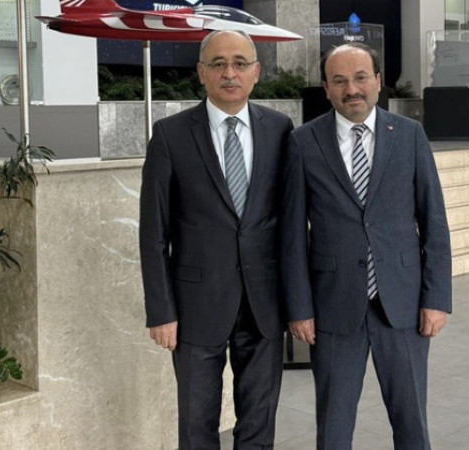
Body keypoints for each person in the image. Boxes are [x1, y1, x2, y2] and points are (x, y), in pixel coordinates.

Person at [281, 43, 452, 449]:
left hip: (403, 305)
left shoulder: (409, 135)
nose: (351, 89)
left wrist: (436, 299)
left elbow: (434, 221)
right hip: (333, 307)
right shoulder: (304, 141)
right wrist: (299, 308)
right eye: (339, 81)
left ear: (377, 81)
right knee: (334, 427)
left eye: (360, 78)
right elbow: (292, 234)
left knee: (412, 423)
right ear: (326, 88)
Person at [140, 29, 294, 449]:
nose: (230, 73)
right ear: (201, 73)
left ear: (256, 72)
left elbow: (290, 224)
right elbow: (153, 233)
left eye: (240, 63)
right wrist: (160, 311)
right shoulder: (170, 135)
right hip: (195, 307)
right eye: (219, 64)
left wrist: (296, 302)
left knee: (258, 426)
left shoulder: (280, 130)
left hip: (264, 304)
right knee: (197, 427)